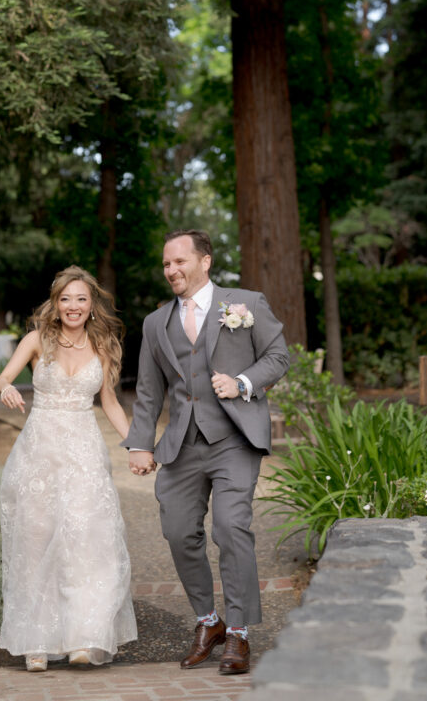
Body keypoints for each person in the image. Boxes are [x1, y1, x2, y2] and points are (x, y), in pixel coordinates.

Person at [123, 229, 289, 676]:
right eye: (165, 264)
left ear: (205, 261)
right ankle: (208, 621)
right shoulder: (155, 324)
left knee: (231, 528)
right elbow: (148, 390)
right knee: (178, 532)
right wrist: (141, 443)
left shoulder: (245, 304)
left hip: (234, 437)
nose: (171, 270)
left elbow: (278, 355)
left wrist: (242, 383)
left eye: (179, 261)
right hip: (181, 443)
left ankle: (238, 633)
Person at [0, 266, 137, 671]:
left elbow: (109, 403)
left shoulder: (104, 345)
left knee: (88, 543)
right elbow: (3, 377)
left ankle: (82, 637)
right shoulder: (37, 340)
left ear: (92, 305)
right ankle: (35, 642)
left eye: (81, 299)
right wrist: (5, 387)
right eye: (66, 299)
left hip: (85, 455)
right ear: (55, 304)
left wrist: (137, 446)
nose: (73, 306)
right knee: (35, 543)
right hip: (39, 454)